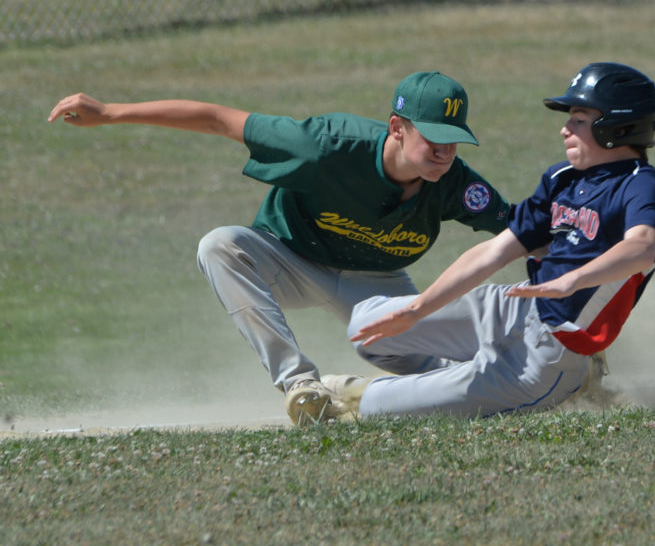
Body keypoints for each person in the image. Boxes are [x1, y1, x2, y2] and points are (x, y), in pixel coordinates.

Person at [47, 71, 511, 425]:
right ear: (396, 127)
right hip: (291, 261)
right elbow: (218, 119)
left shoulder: (456, 184)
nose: (444, 153)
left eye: (454, 141)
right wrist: (109, 113)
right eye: (433, 139)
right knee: (220, 246)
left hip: (375, 286)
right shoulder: (326, 147)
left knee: (431, 366)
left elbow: (521, 233)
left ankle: (482, 378)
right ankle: (301, 384)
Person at [338, 62, 655, 419]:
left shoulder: (640, 183)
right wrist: (417, 310)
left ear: (616, 128)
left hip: (550, 356)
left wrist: (572, 280)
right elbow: (495, 252)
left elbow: (641, 247)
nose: (564, 130)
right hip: (513, 308)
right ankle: (466, 374)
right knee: (365, 326)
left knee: (368, 407)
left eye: (578, 120)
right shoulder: (561, 179)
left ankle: (539, 378)